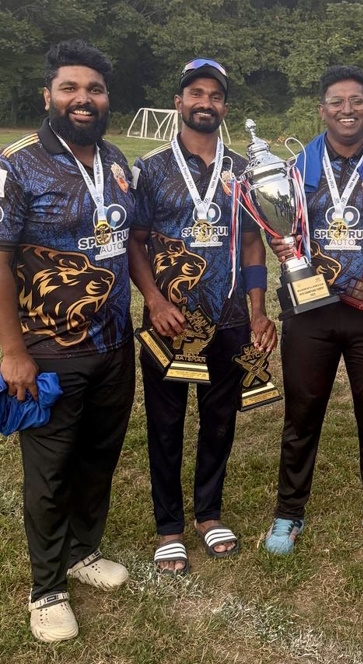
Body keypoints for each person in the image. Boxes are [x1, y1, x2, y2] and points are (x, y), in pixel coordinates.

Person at [0, 40, 135, 642]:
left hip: (114, 344)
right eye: (70, 88)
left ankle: (83, 550)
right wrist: (12, 352)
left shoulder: (115, 159)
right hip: (49, 349)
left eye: (95, 89)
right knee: (50, 470)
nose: (84, 99)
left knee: (99, 456)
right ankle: (46, 588)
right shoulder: (16, 164)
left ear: (106, 99)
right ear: (48, 96)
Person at [128, 58, 276, 575]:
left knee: (218, 420)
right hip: (170, 321)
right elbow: (135, 242)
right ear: (179, 102)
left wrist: (258, 310)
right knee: (166, 423)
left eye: (214, 95)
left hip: (230, 317)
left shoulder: (242, 169)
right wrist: (154, 300)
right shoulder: (150, 169)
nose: (205, 102)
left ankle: (208, 514)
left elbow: (253, 242)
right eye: (196, 93)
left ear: (224, 108)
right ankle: (169, 526)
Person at [263, 65, 363, 559]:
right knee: (302, 412)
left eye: (356, 101)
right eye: (337, 102)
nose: (347, 110)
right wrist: (281, 244)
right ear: (322, 109)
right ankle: (289, 511)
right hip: (311, 307)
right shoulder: (294, 170)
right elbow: (276, 225)